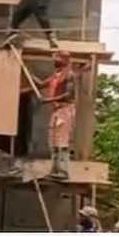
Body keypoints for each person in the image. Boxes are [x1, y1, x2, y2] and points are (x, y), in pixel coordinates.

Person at [38, 50, 77, 180]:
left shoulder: (69, 75)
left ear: (65, 60)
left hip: (65, 110)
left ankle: (64, 171)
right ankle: (54, 170)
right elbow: (40, 84)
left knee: (62, 141)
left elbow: (68, 94)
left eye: (57, 58)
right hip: (56, 110)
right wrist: (26, 71)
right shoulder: (55, 76)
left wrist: (48, 100)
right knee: (54, 141)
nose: (54, 60)